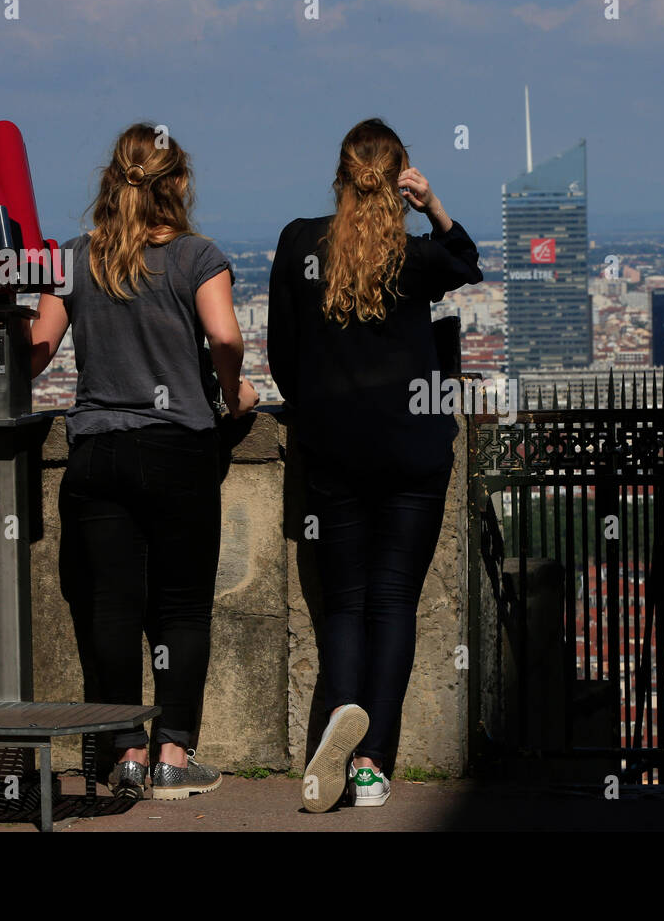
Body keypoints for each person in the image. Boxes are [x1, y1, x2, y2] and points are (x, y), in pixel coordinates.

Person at [30, 123, 258, 801]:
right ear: (178, 184)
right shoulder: (197, 256)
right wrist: (230, 390)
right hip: (180, 449)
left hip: (98, 450)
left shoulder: (75, 259)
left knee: (109, 609)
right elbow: (224, 333)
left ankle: (123, 748)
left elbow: (38, 347)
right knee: (183, 608)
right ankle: (173, 754)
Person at [268, 118, 482, 811]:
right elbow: (466, 260)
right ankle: (371, 763)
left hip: (333, 451)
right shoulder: (416, 258)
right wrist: (435, 205)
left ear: (340, 174)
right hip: (413, 453)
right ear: (401, 178)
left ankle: (340, 719)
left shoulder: (301, 243)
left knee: (344, 605)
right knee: (394, 605)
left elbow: (281, 351)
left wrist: (319, 413)